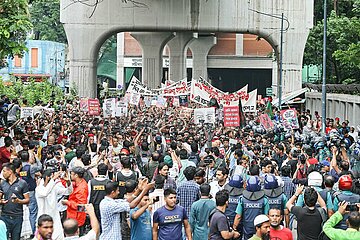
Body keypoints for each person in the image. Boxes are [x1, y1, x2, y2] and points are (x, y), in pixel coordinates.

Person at [36, 169, 73, 240]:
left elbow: (69, 191)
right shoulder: (39, 189)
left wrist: (68, 181)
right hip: (43, 219)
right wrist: (53, 179)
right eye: (53, 176)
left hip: (55, 218)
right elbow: (45, 193)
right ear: (47, 177)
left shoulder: (54, 187)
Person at [0, 162, 30, 240]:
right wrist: (1, 201)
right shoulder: (2, 184)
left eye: (4, 171)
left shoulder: (22, 183)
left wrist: (19, 201)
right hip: (4, 216)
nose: (2, 173)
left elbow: (27, 200)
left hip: (17, 216)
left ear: (10, 171)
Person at [61, 167, 88, 235]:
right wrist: (65, 180)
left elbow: (81, 207)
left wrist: (68, 203)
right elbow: (69, 185)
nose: (70, 176)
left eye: (72, 174)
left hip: (77, 219)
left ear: (76, 175)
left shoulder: (82, 189)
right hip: (72, 215)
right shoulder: (78, 182)